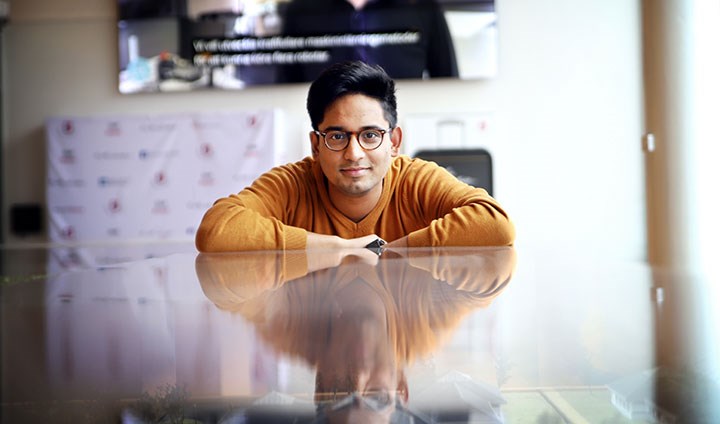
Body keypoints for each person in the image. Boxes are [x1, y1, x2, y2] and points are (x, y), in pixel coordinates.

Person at [195, 60, 514, 252]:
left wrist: (390, 252)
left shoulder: (415, 179)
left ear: (394, 141)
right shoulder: (293, 183)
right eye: (336, 136)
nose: (354, 153)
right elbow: (216, 230)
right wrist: (336, 249)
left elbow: (495, 224)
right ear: (316, 145)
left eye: (370, 135)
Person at [279, 0, 458, 83]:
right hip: (321, 140)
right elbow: (285, 87)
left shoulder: (422, 7)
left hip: (404, 137)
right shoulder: (300, 10)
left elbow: (449, 84)